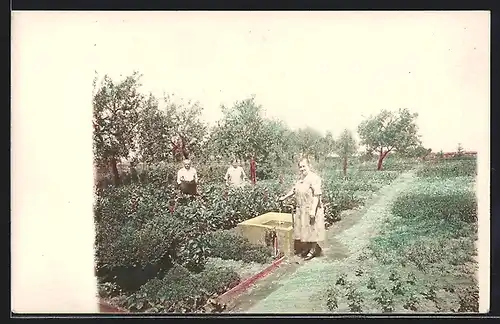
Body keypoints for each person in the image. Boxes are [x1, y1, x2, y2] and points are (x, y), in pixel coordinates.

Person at [279, 157, 325, 261]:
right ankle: (308, 248)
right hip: (301, 208)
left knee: (312, 229)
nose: (302, 168)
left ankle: (313, 250)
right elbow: (294, 190)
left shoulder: (314, 178)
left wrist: (313, 210)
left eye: (304, 166)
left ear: (309, 166)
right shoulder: (301, 179)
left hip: (311, 207)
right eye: (300, 167)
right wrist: (284, 197)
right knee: (305, 229)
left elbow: (317, 195)